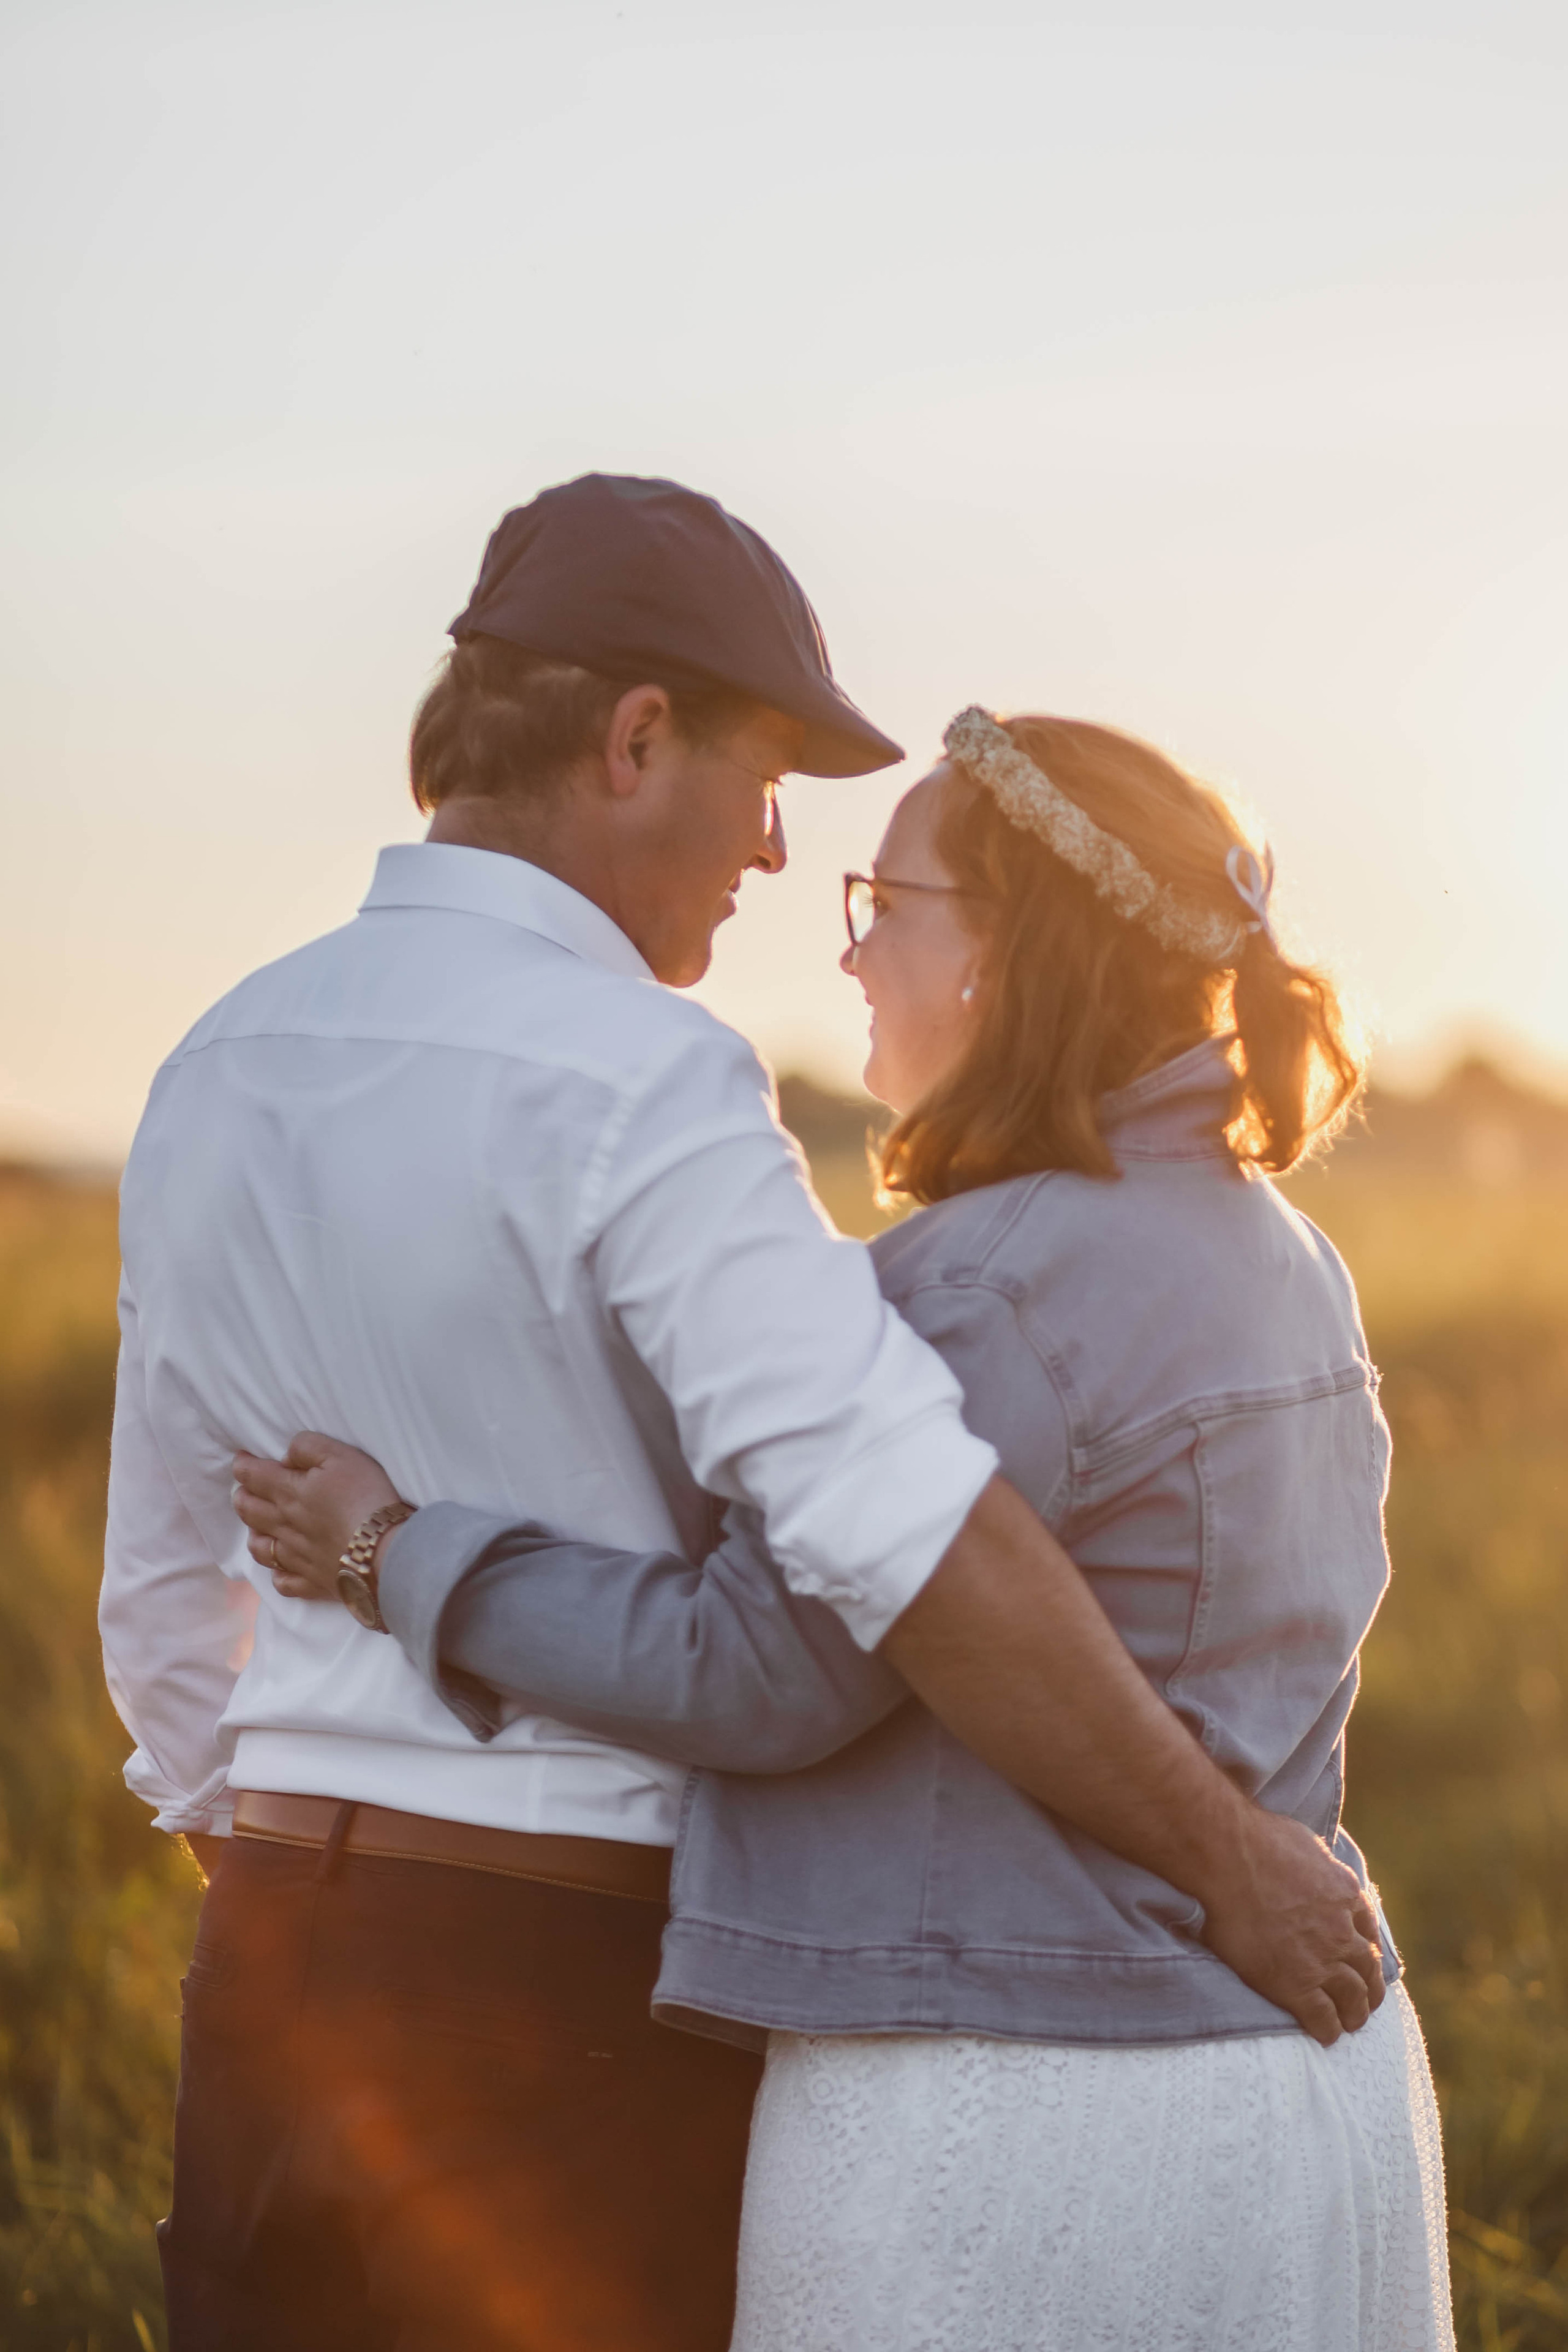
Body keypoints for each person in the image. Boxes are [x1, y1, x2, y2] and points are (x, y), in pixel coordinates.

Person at [102, 473, 1382, 2352]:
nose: (781, 857)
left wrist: (302, 1863)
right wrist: (1234, 1865)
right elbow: (900, 1549)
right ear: (635, 742)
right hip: (572, 1985)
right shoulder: (647, 1078)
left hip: (272, 1960)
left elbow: (161, 1589)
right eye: (767, 780)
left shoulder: (218, 1060)